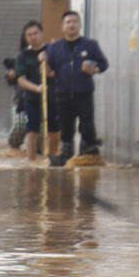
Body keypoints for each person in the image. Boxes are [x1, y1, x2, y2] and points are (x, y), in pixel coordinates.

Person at [43, 10, 109, 166]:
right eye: (68, 22)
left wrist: (94, 69)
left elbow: (104, 64)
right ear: (62, 26)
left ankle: (88, 154)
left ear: (79, 25)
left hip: (84, 91)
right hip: (63, 93)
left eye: (74, 21)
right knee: (66, 126)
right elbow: (49, 73)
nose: (71, 25)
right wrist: (44, 62)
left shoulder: (90, 45)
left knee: (87, 124)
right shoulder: (54, 48)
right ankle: (65, 155)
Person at [11, 20, 47, 161]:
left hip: (53, 98)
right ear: (25, 37)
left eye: (35, 33)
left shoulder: (51, 50)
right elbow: (20, 80)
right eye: (29, 35)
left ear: (42, 33)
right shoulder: (22, 56)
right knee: (31, 130)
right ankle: (31, 162)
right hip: (31, 98)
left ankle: (52, 159)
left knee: (53, 131)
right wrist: (37, 88)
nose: (33, 37)